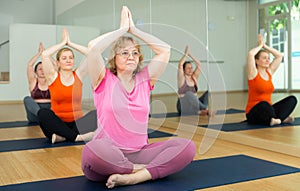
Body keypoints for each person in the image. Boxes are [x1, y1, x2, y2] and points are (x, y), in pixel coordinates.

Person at [82, 6, 196, 189]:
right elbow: (92, 48)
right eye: (124, 53)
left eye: (135, 53)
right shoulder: (103, 79)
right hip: (107, 154)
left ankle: (133, 177)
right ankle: (141, 170)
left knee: (187, 147)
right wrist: (121, 30)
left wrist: (134, 30)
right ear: (114, 59)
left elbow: (165, 50)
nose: (131, 57)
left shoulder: (145, 80)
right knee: (92, 151)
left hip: (140, 153)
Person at [38, 29, 96, 144]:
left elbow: (92, 53)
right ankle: (76, 137)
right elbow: (45, 54)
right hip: (57, 124)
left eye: (71, 57)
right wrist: (62, 43)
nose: (68, 60)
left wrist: (71, 43)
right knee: (43, 113)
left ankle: (63, 137)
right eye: (64, 58)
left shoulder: (78, 75)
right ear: (58, 62)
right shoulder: (52, 77)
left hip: (77, 124)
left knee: (98, 114)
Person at [246, 34, 297, 126]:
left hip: (269, 109)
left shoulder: (269, 72)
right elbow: (251, 54)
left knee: (292, 99)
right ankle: (279, 118)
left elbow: (279, 56)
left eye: (268, 58)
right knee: (264, 104)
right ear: (256, 61)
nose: (267, 60)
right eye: (264, 58)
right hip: (254, 112)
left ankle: (277, 119)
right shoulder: (253, 73)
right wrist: (260, 46)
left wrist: (265, 46)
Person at [23, 42, 52, 124]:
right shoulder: (33, 81)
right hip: (35, 116)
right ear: (35, 72)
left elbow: (56, 65)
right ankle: (43, 116)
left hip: (50, 113)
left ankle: (46, 117)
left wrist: (46, 55)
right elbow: (29, 65)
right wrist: (39, 53)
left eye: (44, 68)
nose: (42, 71)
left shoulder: (52, 81)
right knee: (27, 99)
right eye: (40, 69)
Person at [177, 45, 209, 115]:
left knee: (208, 93)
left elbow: (199, 64)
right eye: (188, 68)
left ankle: (202, 110)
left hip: (194, 105)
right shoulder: (182, 78)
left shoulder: (194, 77)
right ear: (184, 70)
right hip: (183, 106)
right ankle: (204, 109)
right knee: (189, 94)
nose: (190, 69)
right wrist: (185, 54)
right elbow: (180, 64)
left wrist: (189, 54)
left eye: (191, 68)